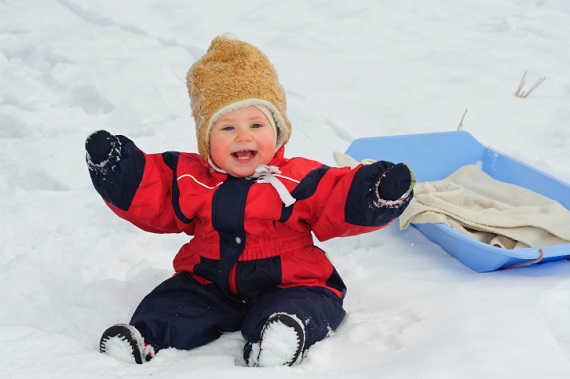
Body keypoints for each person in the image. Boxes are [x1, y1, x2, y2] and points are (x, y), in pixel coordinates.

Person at [86, 33, 415, 367]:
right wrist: (117, 170)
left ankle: (283, 335)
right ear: (206, 140)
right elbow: (152, 191)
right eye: (227, 128)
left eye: (256, 124)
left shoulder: (298, 178)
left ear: (278, 131)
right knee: (177, 301)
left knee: (310, 302)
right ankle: (145, 337)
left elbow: (338, 196)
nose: (243, 136)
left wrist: (377, 191)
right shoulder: (189, 177)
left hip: (290, 281)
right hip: (210, 280)